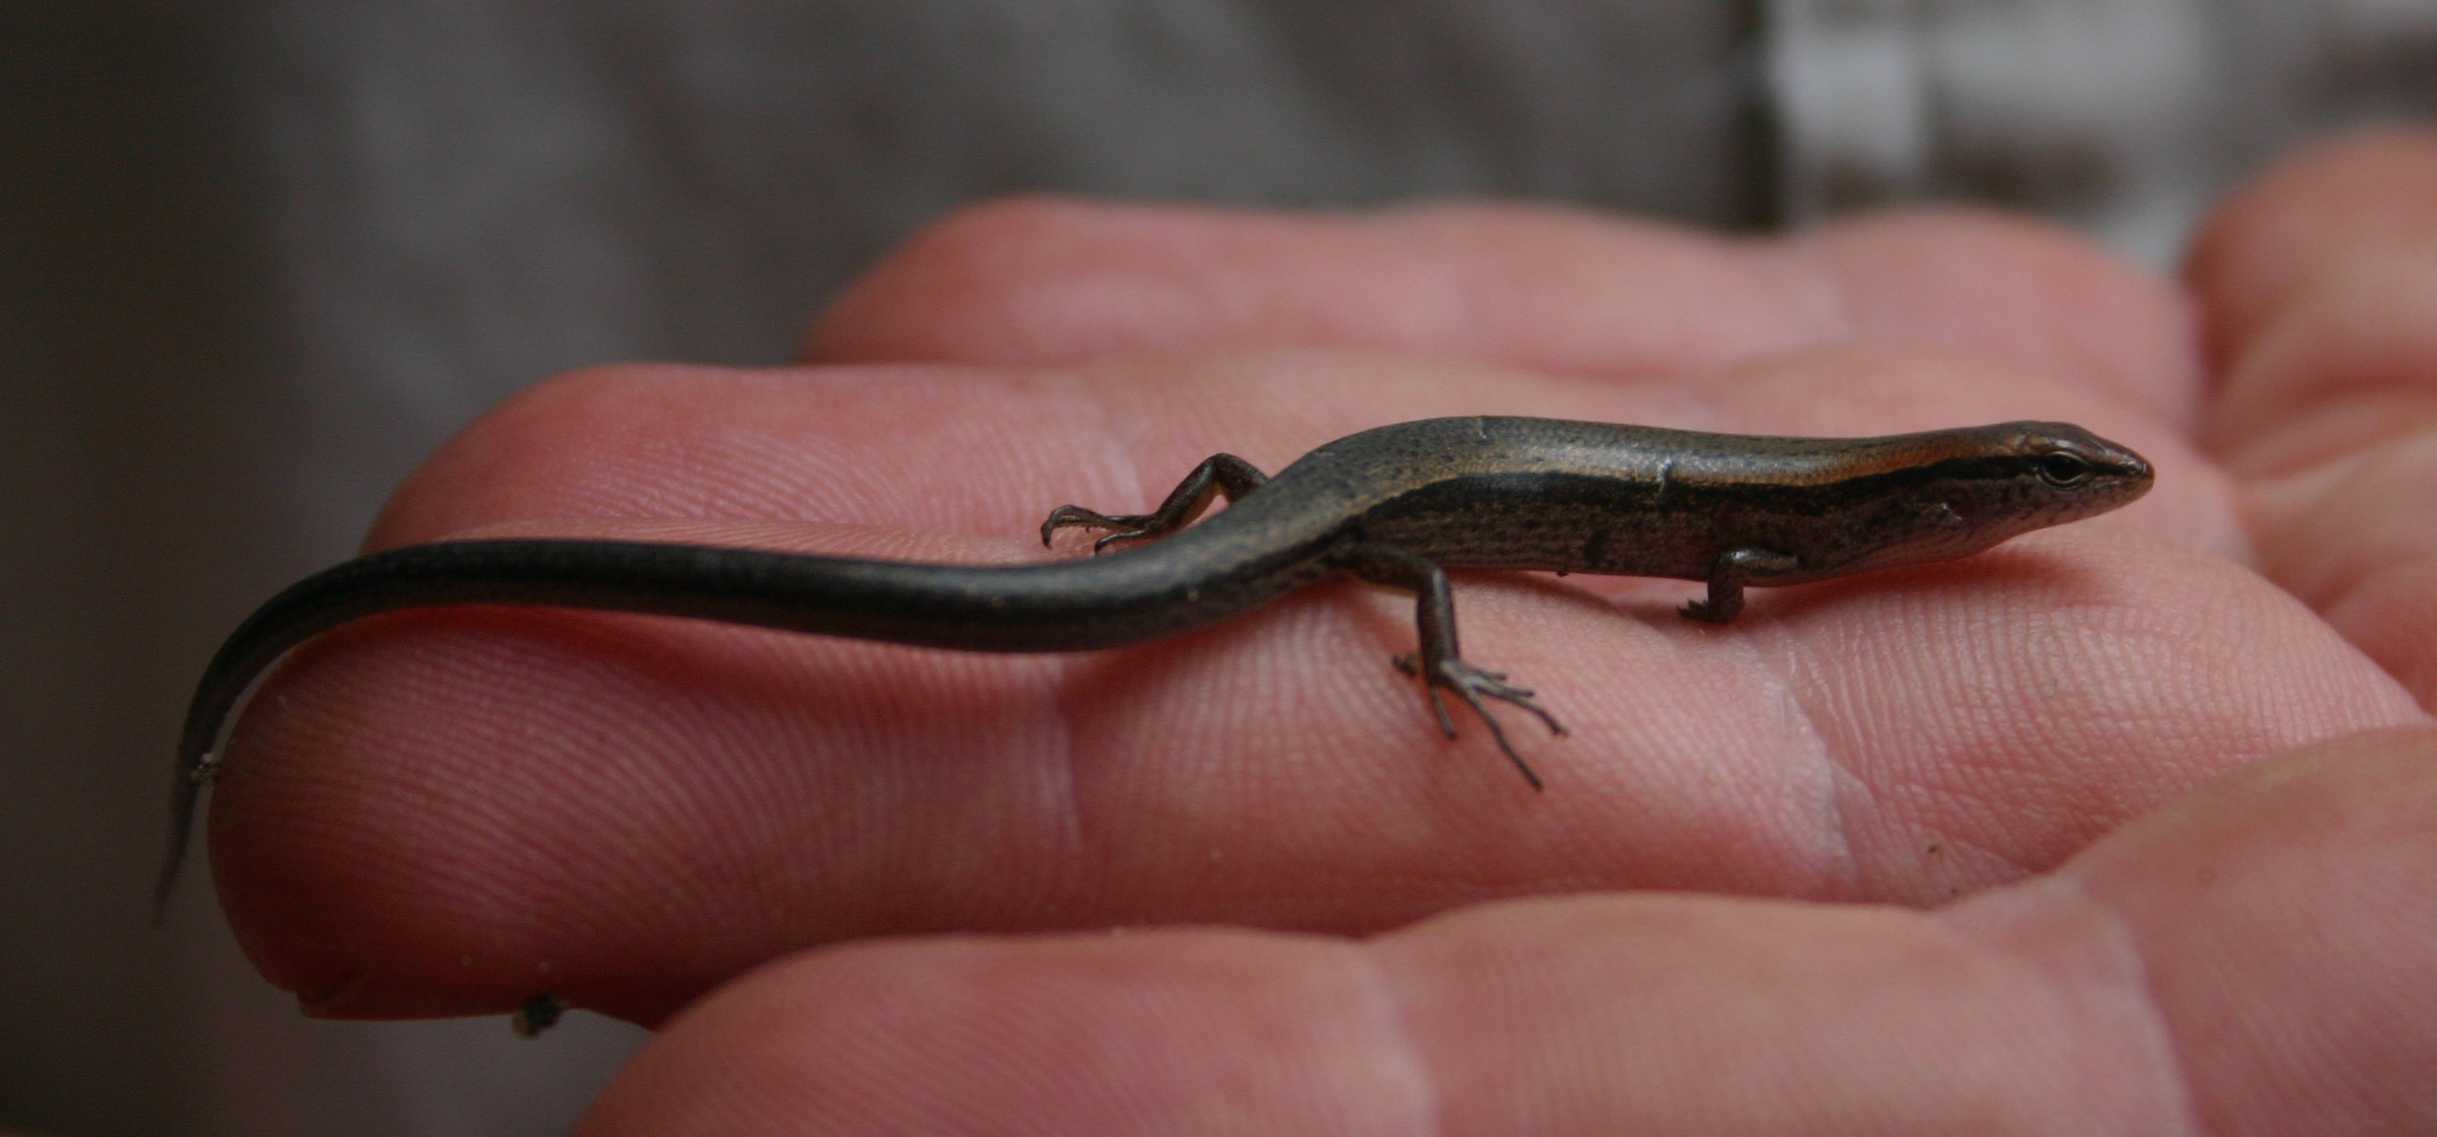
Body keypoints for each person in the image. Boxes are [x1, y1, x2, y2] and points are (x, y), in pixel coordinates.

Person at [202, 129, 2437, 1133]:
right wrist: (1440, 647)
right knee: (1350, 574)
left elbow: (1711, 566)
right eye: (2049, 482)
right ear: (1969, 492)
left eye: (2062, 484)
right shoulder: (1823, 537)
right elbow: (1687, 571)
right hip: (1360, 519)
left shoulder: (1847, 532)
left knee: (1286, 539)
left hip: (1331, 497)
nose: (2067, 503)